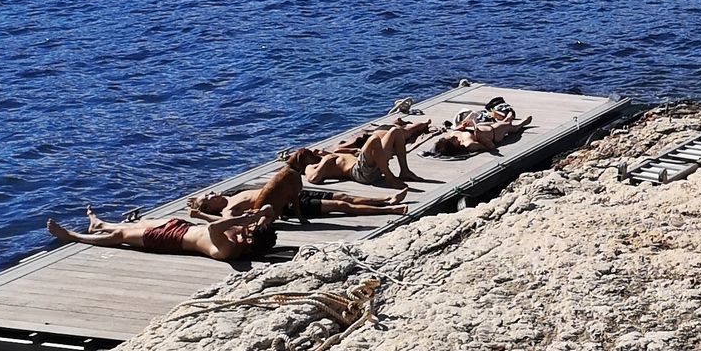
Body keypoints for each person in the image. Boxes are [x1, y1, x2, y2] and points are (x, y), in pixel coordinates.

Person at [46, 205, 277, 261]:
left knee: (121, 237)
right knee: (138, 224)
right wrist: (258, 217)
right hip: (182, 226)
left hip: (173, 240)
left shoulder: (229, 249)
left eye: (251, 229)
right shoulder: (239, 234)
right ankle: (100, 224)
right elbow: (268, 211)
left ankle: (72, 236)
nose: (249, 227)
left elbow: (214, 228)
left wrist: (249, 218)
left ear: (250, 239)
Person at [304, 121, 431, 189]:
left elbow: (343, 151)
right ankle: (389, 177)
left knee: (396, 131)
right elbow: (313, 179)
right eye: (309, 153)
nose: (314, 152)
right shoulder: (311, 166)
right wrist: (325, 161)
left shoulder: (332, 154)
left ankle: (405, 171)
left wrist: (351, 151)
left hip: (371, 164)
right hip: (360, 173)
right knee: (374, 139)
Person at [188, 184, 409, 221]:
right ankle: (391, 210)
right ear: (210, 207)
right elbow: (229, 223)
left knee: (341, 196)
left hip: (291, 192)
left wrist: (196, 202)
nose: (211, 194)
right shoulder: (228, 209)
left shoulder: (231, 193)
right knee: (341, 207)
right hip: (289, 206)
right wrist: (200, 214)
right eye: (207, 198)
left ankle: (384, 199)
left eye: (209, 193)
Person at [431, 112, 532, 158]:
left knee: (501, 122)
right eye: (452, 139)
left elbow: (452, 132)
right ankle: (520, 124)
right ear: (454, 145)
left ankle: (507, 119)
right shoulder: (469, 144)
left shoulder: (451, 136)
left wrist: (461, 127)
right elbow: (491, 147)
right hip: (494, 133)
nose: (453, 136)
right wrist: (480, 137)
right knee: (511, 127)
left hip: (481, 126)